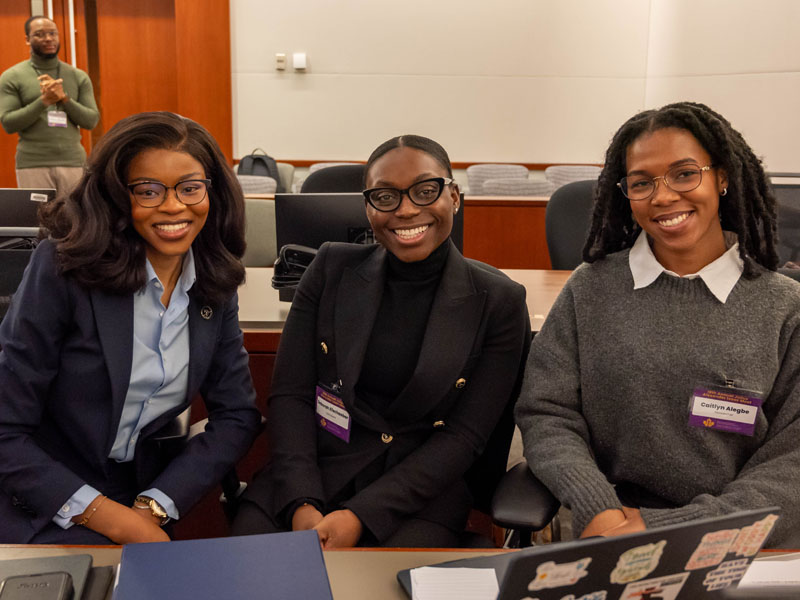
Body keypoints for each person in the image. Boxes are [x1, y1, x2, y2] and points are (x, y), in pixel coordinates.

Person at [515, 101, 800, 548]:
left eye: (685, 174)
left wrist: (680, 527)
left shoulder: (786, 309)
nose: (663, 196)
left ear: (722, 177)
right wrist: (598, 507)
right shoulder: (590, 291)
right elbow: (547, 412)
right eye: (641, 183)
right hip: (610, 530)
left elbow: (794, 461)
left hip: (737, 538)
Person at [231, 135, 530, 547]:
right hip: (309, 474)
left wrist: (360, 516)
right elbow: (291, 394)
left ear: (455, 198)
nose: (407, 209)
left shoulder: (499, 302)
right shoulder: (330, 269)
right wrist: (301, 500)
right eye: (385, 196)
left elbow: (465, 436)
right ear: (368, 208)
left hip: (415, 496)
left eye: (426, 191)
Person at [0, 111, 261, 544]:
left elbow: (237, 415)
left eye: (190, 188)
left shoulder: (214, 282)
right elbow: (5, 428)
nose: (174, 205)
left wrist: (156, 503)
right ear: (116, 197)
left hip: (139, 493)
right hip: (39, 492)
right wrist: (113, 520)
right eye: (148, 190)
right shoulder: (63, 270)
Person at [0, 15, 99, 193]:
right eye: (39, 34)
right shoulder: (12, 76)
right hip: (32, 163)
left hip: (73, 162)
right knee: (37, 219)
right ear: (27, 39)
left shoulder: (78, 76)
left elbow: (91, 120)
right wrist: (44, 101)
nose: (48, 39)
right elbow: (8, 123)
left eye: (52, 33)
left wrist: (64, 99)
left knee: (74, 217)